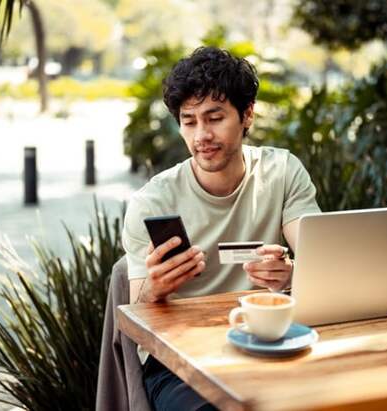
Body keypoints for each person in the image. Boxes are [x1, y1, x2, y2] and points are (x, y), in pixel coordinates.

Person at [122, 46, 321, 411]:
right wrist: (153, 290)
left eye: (214, 118)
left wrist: (291, 274)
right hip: (179, 361)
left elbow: (322, 257)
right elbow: (137, 315)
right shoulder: (151, 203)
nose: (201, 135)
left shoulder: (283, 172)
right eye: (189, 121)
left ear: (247, 114)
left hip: (268, 340)